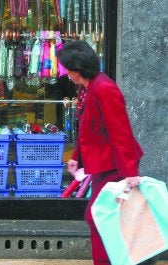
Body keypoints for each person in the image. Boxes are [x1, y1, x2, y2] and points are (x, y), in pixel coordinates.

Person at [57, 40, 143, 265]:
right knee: (105, 219)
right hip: (104, 166)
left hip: (115, 168)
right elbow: (88, 126)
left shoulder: (104, 89)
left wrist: (130, 173)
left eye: (68, 69)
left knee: (98, 217)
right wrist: (77, 156)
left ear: (77, 70)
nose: (66, 73)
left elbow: (120, 133)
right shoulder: (89, 87)